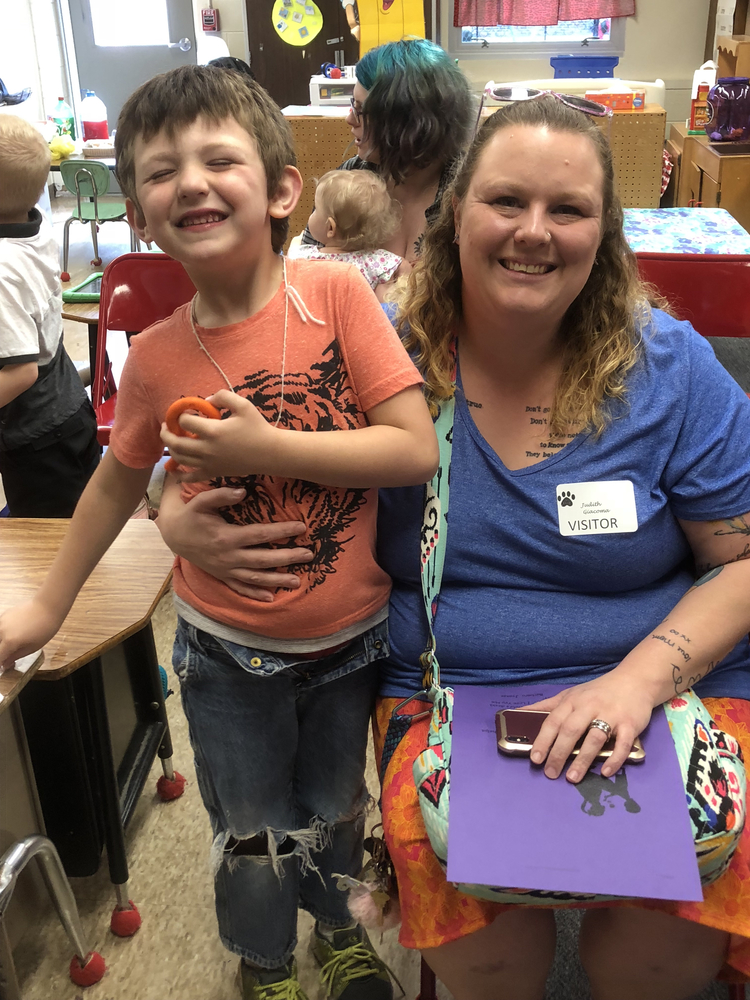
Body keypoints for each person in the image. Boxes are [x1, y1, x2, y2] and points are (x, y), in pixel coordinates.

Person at [155, 95, 750, 1000]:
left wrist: (637, 682)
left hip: (670, 686)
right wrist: (168, 507)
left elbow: (740, 560)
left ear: (607, 231)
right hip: (446, 694)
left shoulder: (668, 368)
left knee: (660, 957)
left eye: (570, 210)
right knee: (485, 962)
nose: (534, 233)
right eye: (507, 201)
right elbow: (219, 425)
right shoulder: (374, 354)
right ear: (454, 210)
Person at [0, 65, 439, 1000]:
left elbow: (411, 452)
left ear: (282, 189)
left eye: (218, 158)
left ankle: (339, 934)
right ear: (139, 213)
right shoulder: (156, 355)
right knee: (247, 823)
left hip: (348, 640)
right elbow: (117, 482)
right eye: (160, 172)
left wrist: (267, 441)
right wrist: (45, 604)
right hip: (225, 650)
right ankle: (266, 959)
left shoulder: (339, 301)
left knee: (334, 807)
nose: (190, 181)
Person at [0, 113, 99, 516]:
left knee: (52, 537)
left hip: (40, 438)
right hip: (66, 409)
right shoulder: (32, 226)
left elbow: (20, 372)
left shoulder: (3, 269)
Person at [302, 38, 473, 263]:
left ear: (408, 123)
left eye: (361, 109)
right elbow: (306, 261)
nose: (349, 119)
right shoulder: (349, 180)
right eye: (353, 105)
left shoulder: (466, 188)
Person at [290, 170, 410, 300]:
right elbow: (403, 266)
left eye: (316, 209)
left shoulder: (306, 257)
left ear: (331, 227)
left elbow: (288, 268)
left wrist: (295, 244)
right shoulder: (378, 262)